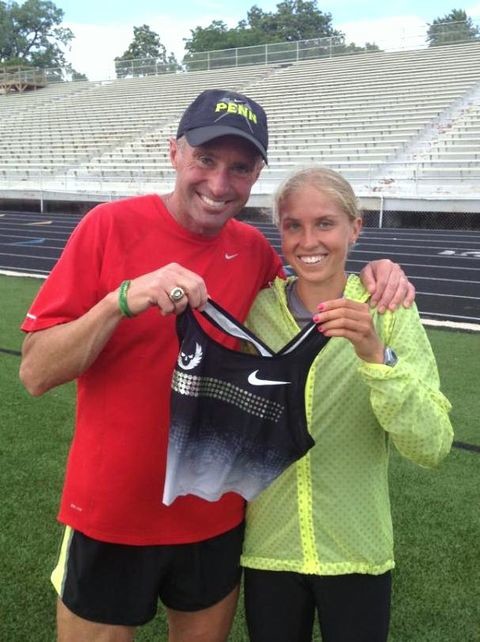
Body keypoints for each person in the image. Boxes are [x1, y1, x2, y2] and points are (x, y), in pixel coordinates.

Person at [19, 89, 415, 642]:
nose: (220, 183)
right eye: (205, 159)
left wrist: (378, 269)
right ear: (174, 152)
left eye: (240, 168)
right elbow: (35, 373)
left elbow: (312, 272)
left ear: (256, 176)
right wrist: (120, 300)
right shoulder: (108, 226)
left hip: (216, 516)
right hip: (111, 510)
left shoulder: (252, 251)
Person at [241, 166, 454, 642]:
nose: (308, 240)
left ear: (355, 228)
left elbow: (432, 444)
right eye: (293, 225)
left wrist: (376, 355)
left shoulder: (388, 308)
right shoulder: (256, 312)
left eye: (325, 223)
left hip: (358, 549)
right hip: (269, 548)